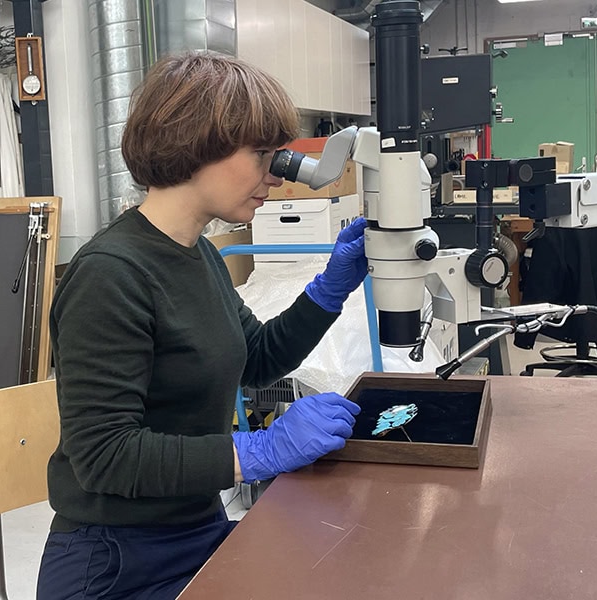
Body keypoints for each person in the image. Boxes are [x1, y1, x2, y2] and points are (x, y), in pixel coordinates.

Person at [36, 52, 367, 599]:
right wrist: (257, 451)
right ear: (197, 144)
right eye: (262, 155)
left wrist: (329, 289)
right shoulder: (110, 274)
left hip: (197, 527)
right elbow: (103, 456)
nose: (274, 175)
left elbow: (256, 356)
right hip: (116, 560)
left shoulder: (200, 254)